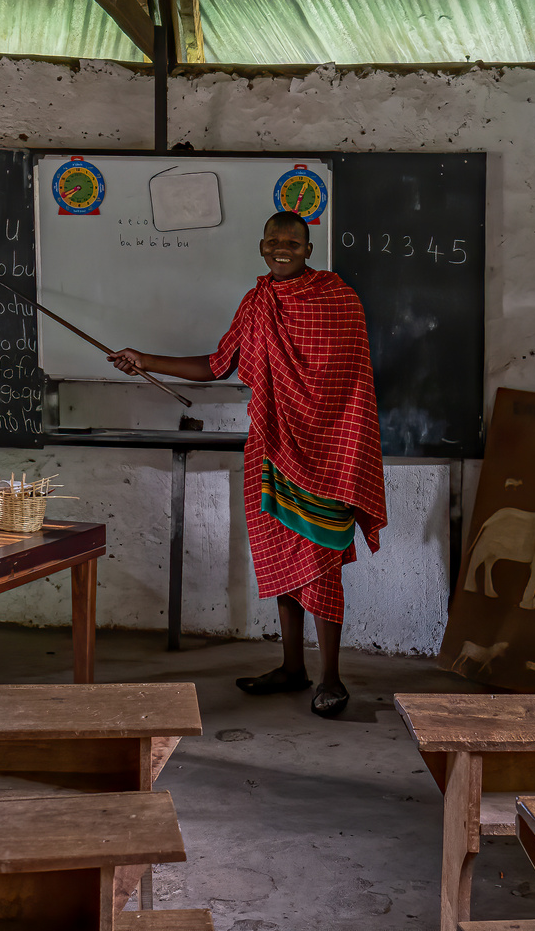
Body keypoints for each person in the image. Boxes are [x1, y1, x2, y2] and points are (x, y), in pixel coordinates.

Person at [108, 211, 386, 717]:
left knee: (321, 565)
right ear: (262, 247)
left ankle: (330, 678)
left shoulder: (340, 300)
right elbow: (217, 365)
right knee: (281, 561)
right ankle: (291, 668)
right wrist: (144, 360)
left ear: (308, 248)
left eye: (293, 241)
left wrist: (324, 432)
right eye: (273, 240)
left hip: (328, 454)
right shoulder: (257, 302)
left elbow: (349, 384)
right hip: (274, 449)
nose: (282, 248)